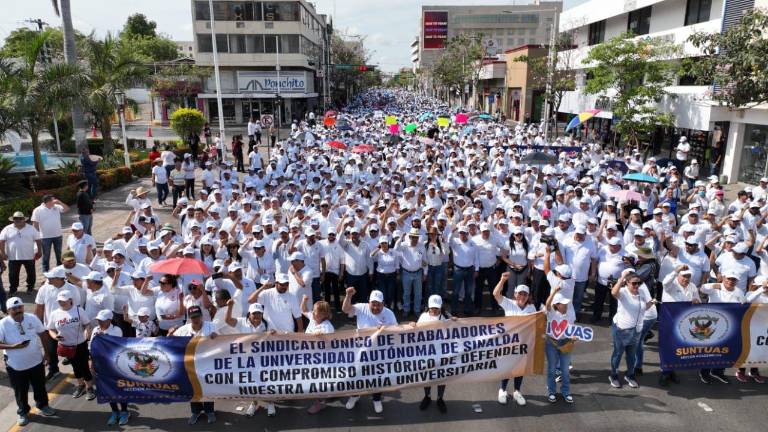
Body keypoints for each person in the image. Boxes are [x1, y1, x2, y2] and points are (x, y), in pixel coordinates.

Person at [0, 297, 56, 426]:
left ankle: (43, 405)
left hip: (36, 362)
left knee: (40, 386)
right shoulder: (3, 324)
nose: (18, 310)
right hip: (16, 366)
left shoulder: (32, 318)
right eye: (14, 309)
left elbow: (43, 334)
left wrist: (47, 354)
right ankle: (23, 412)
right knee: (20, 391)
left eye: (20, 307)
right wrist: (13, 347)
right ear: (8, 310)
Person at [342, 288, 397, 413]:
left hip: (379, 352)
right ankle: (355, 396)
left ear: (383, 303)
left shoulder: (389, 313)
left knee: (377, 376)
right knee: (357, 374)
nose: (376, 307)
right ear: (369, 303)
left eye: (379, 304)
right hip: (361, 350)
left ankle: (376, 399)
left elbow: (396, 330)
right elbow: (345, 309)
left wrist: (386, 329)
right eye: (373, 304)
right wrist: (348, 296)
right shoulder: (361, 308)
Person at [169, 305, 218, 425]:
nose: (195, 319)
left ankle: (209, 411)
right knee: (192, 387)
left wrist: (217, 336)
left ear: (201, 316)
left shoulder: (212, 326)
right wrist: (170, 334)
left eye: (197, 316)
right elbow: (170, 342)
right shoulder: (183, 330)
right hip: (191, 364)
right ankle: (196, 411)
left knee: (207, 386)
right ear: (189, 318)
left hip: (207, 362)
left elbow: (226, 338)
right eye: (192, 317)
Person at [493, 273, 536, 406]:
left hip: (523, 344)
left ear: (528, 296)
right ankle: (502, 390)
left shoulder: (532, 308)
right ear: (515, 294)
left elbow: (536, 323)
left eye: (525, 294)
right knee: (507, 367)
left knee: (520, 368)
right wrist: (502, 280)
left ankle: (517, 391)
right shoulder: (508, 303)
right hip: (508, 343)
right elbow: (496, 294)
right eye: (520, 294)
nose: (522, 297)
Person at [608, 270, 654, 389]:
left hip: (637, 330)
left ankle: (630, 375)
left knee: (631, 355)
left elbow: (644, 307)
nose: (637, 285)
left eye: (639, 283)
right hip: (622, 330)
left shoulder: (641, 293)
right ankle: (614, 375)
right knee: (618, 354)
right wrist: (622, 277)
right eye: (634, 283)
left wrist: (651, 303)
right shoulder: (623, 292)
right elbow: (613, 292)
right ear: (627, 283)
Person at [47, 290, 94, 400]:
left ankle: (89, 387)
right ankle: (80, 385)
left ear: (70, 300)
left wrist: (87, 331)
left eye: (64, 300)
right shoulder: (54, 314)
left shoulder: (79, 310)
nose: (61, 303)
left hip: (80, 344)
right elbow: (51, 329)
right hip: (66, 346)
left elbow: (87, 324)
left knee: (84, 366)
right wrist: (55, 337)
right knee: (75, 367)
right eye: (60, 301)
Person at [415, 294, 455, 413]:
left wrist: (457, 321)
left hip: (442, 352)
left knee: (442, 376)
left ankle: (440, 398)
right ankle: (427, 396)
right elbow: (416, 332)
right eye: (432, 308)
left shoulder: (446, 316)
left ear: (441, 306)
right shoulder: (423, 317)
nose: (434, 310)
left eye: (437, 308)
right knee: (427, 376)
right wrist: (413, 326)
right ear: (429, 306)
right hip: (427, 353)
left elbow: (456, 328)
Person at [89, 309, 129, 425]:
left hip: (115, 365)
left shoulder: (117, 330)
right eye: (98, 320)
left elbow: (115, 346)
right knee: (108, 389)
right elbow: (91, 347)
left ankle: (124, 412)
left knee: (119, 389)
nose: (99, 322)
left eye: (102, 320)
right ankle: (115, 412)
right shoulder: (95, 330)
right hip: (101, 365)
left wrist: (103, 337)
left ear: (109, 320)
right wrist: (91, 361)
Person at [301, 296, 335, 414]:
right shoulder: (313, 317)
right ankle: (329, 395)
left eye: (315, 311)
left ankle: (320, 403)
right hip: (310, 358)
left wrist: (322, 337)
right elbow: (303, 310)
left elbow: (331, 344)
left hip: (321, 360)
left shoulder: (327, 327)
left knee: (319, 381)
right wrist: (304, 301)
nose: (312, 312)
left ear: (322, 314)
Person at [544, 284, 575, 404]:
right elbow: (547, 304)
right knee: (552, 369)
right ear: (557, 305)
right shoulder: (551, 312)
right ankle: (551, 392)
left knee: (565, 370)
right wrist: (554, 292)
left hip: (566, 342)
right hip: (551, 343)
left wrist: (573, 337)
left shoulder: (570, 313)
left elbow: (572, 329)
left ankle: (566, 392)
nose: (566, 305)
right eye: (563, 304)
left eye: (566, 303)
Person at [0, 212, 42, 296]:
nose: (18, 220)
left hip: (29, 255)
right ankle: (13, 289)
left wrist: (39, 251)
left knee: (31, 273)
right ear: (13, 220)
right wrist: (3, 253)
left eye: (20, 218)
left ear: (24, 219)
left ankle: (30, 287)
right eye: (16, 218)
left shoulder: (31, 228)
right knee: (13, 274)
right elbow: (1, 241)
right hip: (13, 256)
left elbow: (38, 240)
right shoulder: (7, 229)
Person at [31, 194, 69, 273]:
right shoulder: (37, 210)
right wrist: (35, 237)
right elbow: (35, 224)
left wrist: (60, 202)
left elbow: (67, 209)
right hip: (45, 237)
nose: (55, 201)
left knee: (59, 254)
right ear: (48, 201)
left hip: (58, 235)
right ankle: (46, 271)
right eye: (53, 200)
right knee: (46, 255)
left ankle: (60, 270)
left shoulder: (56, 207)